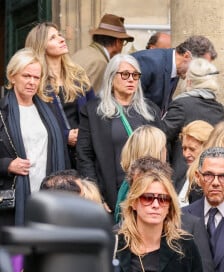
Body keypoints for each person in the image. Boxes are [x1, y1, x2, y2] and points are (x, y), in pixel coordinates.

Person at [76, 54, 162, 214]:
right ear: (111, 77)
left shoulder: (151, 111)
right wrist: (96, 196)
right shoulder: (94, 111)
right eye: (125, 74)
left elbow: (163, 154)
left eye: (135, 75)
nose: (131, 79)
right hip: (109, 194)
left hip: (147, 193)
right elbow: (84, 156)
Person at [0, 48, 66, 226]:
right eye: (26, 76)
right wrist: (8, 164)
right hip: (13, 199)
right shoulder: (2, 111)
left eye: (36, 77)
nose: (31, 82)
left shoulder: (48, 110)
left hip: (48, 195)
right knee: (17, 252)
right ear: (12, 76)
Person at [116, 171, 207, 272]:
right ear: (134, 202)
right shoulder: (116, 246)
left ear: (169, 206)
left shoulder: (184, 246)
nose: (156, 205)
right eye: (147, 198)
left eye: (163, 199)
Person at [25, 22, 95, 169]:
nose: (62, 39)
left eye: (60, 35)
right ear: (41, 46)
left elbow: (94, 112)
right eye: (53, 38)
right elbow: (29, 125)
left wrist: (85, 135)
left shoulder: (79, 76)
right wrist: (64, 136)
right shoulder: (34, 82)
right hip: (53, 157)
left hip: (83, 156)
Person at [161, 57, 224, 200]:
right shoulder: (219, 110)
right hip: (209, 181)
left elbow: (160, 138)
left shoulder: (181, 105)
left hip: (182, 182)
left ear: (189, 82)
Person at [132, 35, 217, 114]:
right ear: (186, 56)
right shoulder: (149, 62)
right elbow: (131, 101)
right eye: (200, 64)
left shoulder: (177, 68)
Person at [114, 125, 167, 223]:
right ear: (155, 152)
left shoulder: (127, 184)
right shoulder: (142, 187)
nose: (166, 151)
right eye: (163, 147)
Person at [72, 13, 134, 94]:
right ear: (118, 42)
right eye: (123, 43)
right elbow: (90, 101)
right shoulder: (100, 62)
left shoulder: (81, 53)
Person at [176, 120, 214, 206]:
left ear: (207, 147)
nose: (186, 154)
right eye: (184, 148)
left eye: (192, 149)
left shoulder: (211, 183)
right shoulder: (182, 174)